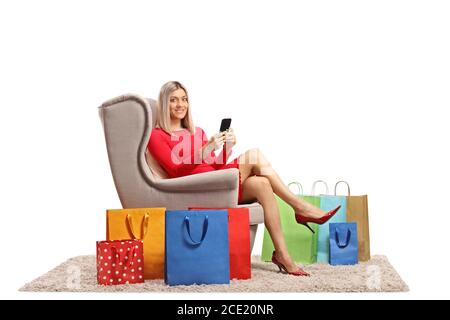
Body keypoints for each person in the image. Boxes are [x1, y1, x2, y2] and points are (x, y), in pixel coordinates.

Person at [147, 81, 340, 276]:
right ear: (164, 103)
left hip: (217, 181)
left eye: (184, 99)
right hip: (198, 187)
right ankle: (299, 207)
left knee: (263, 183)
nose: (180, 104)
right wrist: (204, 150)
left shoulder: (198, 132)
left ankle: (283, 255)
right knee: (254, 155)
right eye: (173, 100)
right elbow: (175, 170)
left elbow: (216, 165)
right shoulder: (157, 135)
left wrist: (226, 148)